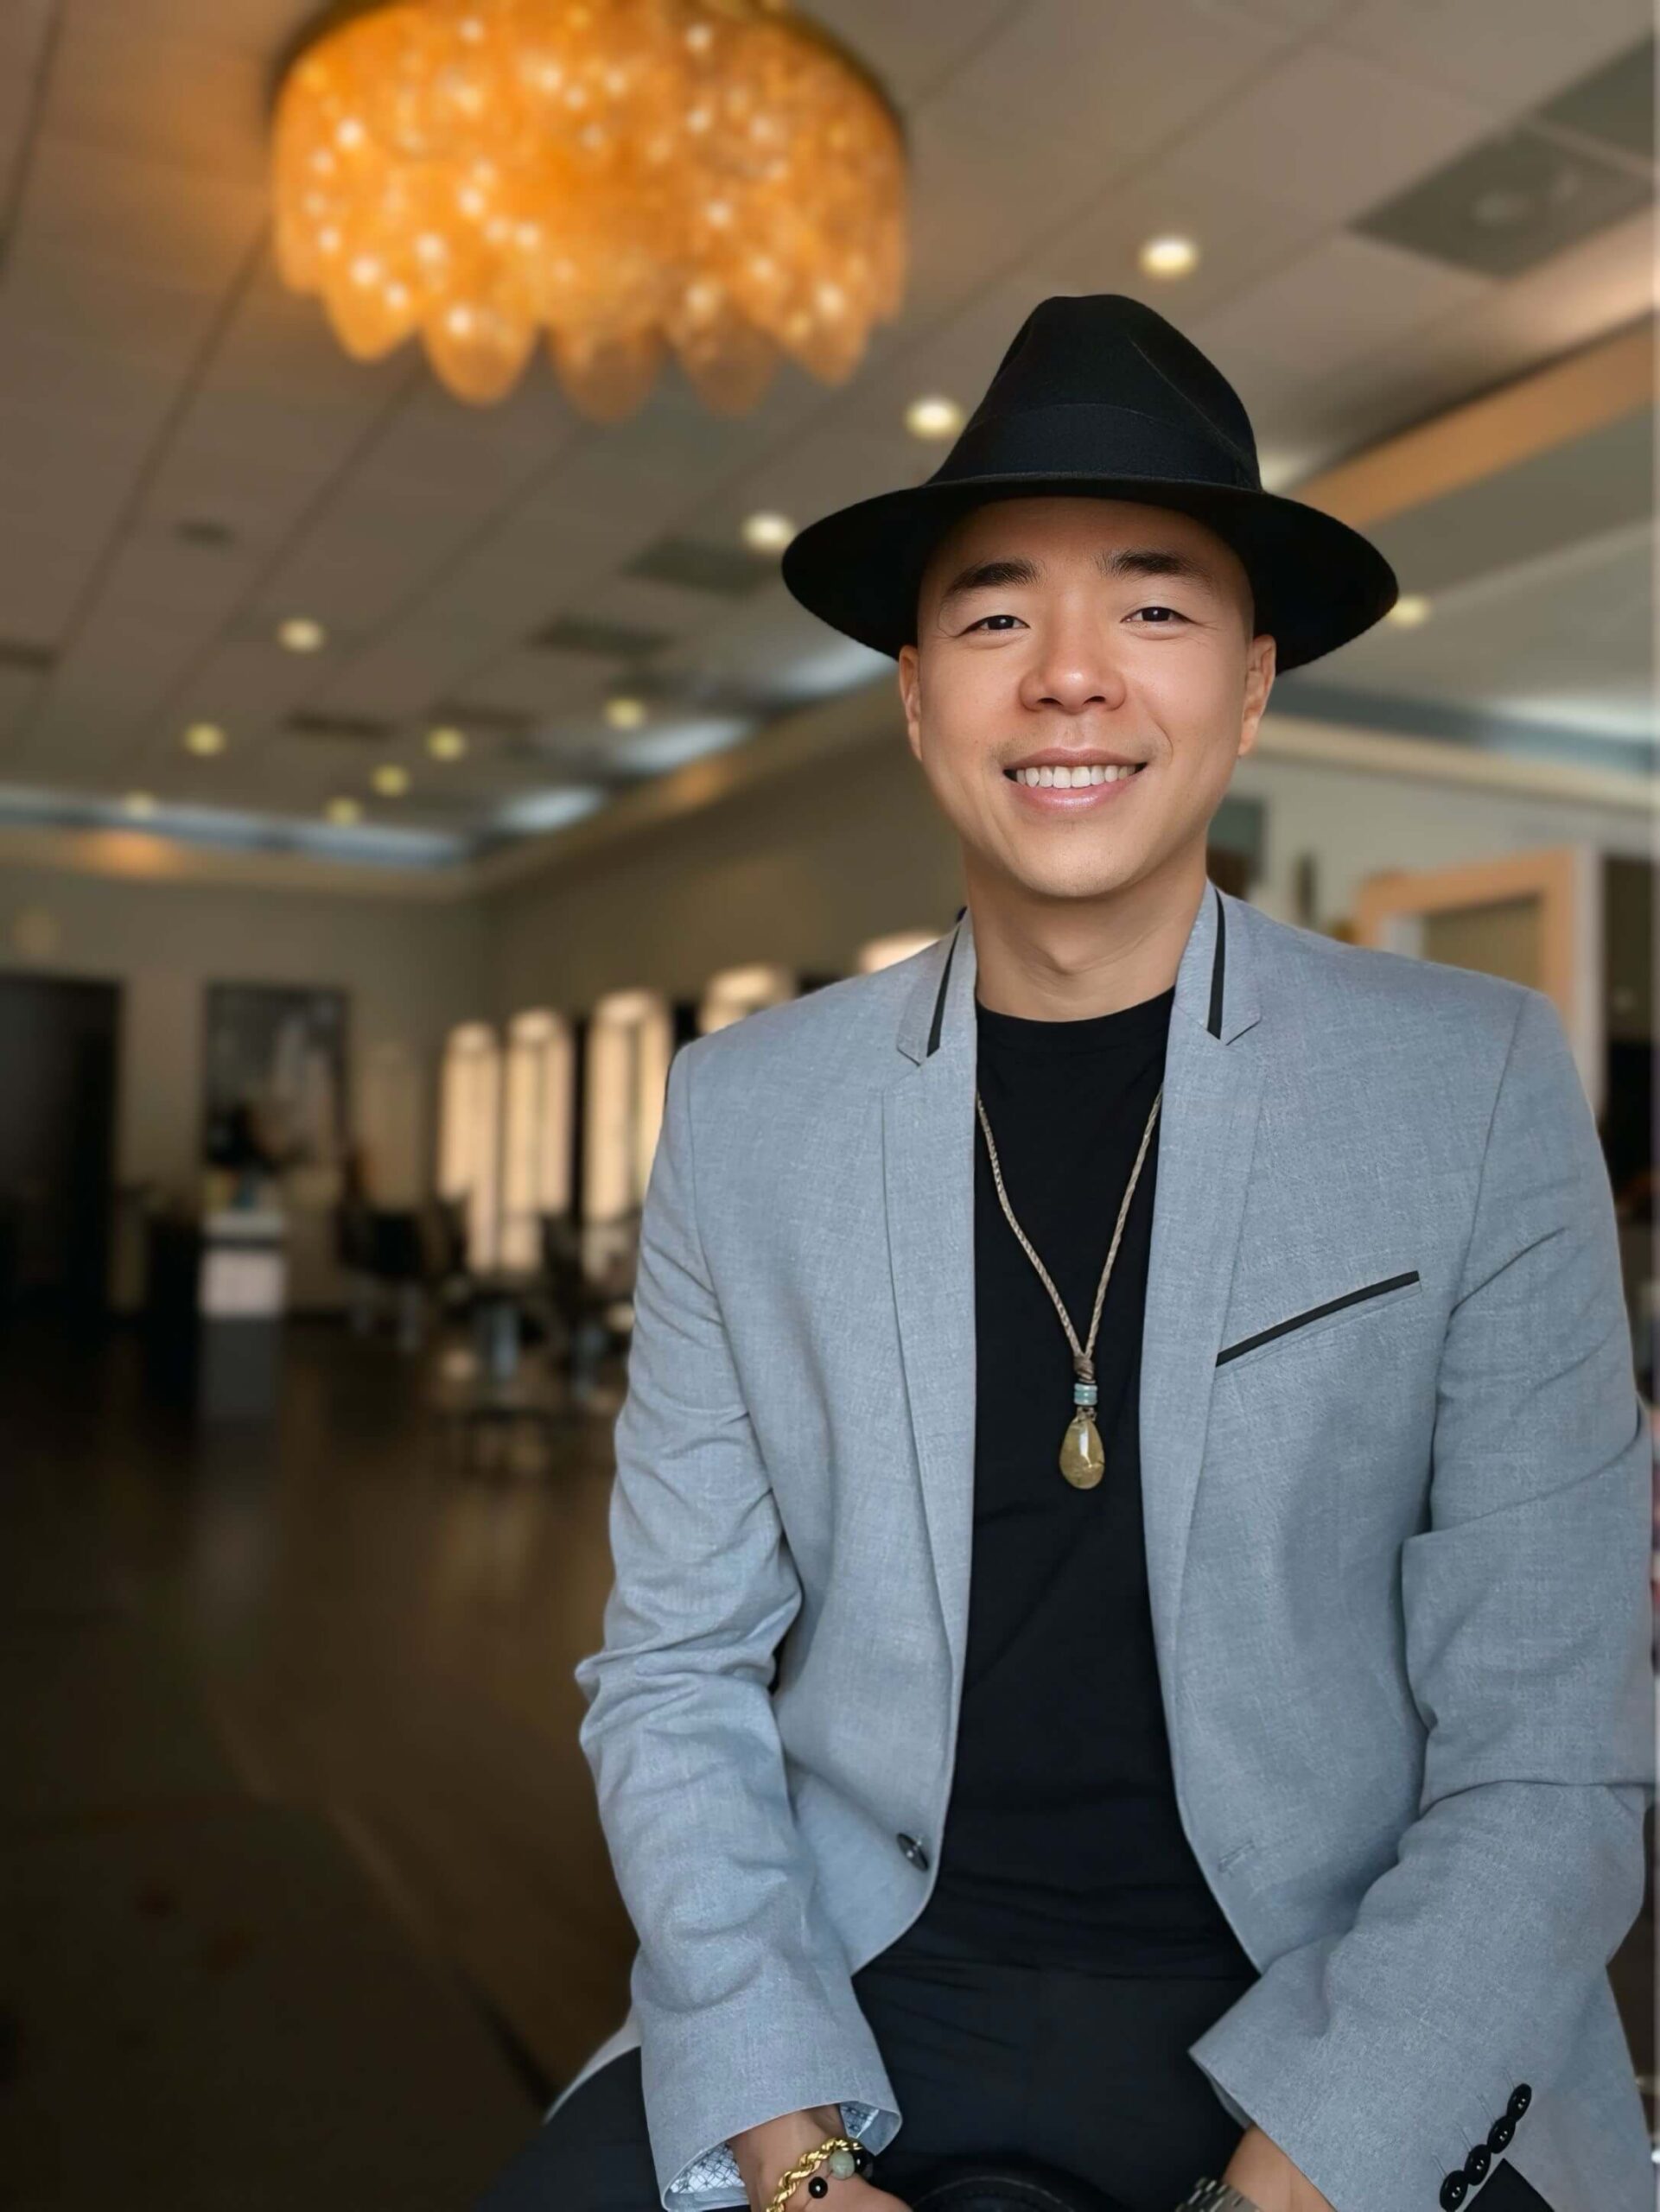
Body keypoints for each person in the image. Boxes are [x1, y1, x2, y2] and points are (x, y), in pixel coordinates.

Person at [474, 296, 1653, 2212]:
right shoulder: (745, 1109)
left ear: (1253, 688)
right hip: (863, 1976)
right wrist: (792, 2156)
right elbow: (673, 1671)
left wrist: (1284, 2189)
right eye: (997, 613)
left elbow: (1553, 1751)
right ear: (918, 691)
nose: (1072, 677)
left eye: (1158, 607)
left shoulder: (1469, 1082)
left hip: (1328, 1991)